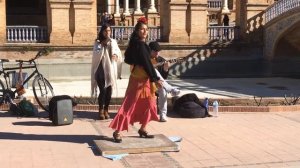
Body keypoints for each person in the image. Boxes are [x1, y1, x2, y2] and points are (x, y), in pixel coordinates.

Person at [109, 17, 163, 143]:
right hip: (138, 81)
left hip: (143, 80)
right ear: (137, 31)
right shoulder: (140, 45)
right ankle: (117, 131)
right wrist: (155, 79)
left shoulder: (136, 44)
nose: (145, 32)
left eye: (146, 30)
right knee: (128, 106)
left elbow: (128, 59)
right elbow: (146, 64)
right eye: (142, 30)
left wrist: (138, 62)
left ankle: (142, 129)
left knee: (150, 104)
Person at [91, 23, 122, 120]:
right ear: (102, 32)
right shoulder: (97, 42)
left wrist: (116, 55)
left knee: (109, 91)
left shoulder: (113, 41)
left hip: (110, 70)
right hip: (100, 70)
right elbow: (96, 55)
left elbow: (117, 51)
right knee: (103, 90)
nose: (107, 32)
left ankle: (106, 109)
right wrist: (102, 47)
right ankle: (100, 110)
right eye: (105, 31)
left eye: (109, 31)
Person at [149, 41, 180, 122]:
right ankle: (171, 89)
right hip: (147, 83)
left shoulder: (161, 60)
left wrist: (166, 69)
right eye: (155, 51)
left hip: (157, 83)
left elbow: (164, 77)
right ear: (150, 51)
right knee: (153, 70)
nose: (157, 53)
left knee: (163, 90)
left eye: (158, 51)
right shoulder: (146, 59)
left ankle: (163, 115)